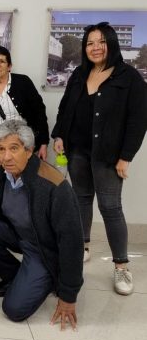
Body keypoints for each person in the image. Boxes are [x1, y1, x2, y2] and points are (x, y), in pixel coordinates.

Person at [52, 22, 147, 295]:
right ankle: (83, 246)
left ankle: (121, 266)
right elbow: (65, 108)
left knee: (111, 208)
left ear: (112, 44)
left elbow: (138, 121)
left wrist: (125, 157)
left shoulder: (128, 78)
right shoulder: (79, 74)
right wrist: (59, 135)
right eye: (90, 42)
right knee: (80, 199)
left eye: (101, 42)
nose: (95, 47)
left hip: (108, 156)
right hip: (77, 151)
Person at [0, 120, 83, 328]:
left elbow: (72, 243)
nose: (6, 156)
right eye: (1, 149)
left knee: (14, 309)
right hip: (18, 234)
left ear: (29, 152)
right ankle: (16, 277)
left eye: (14, 148)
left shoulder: (54, 185)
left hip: (44, 248)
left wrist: (68, 296)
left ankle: (46, 278)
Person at [0, 46, 49, 160]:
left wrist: (44, 143)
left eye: (1, 61)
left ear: (9, 66)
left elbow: (39, 111)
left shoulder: (23, 82)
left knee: (24, 177)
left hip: (23, 147)